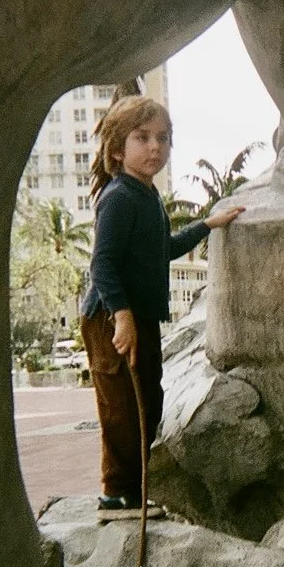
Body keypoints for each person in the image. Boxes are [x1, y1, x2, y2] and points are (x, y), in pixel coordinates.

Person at [80, 95, 245, 520]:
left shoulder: (148, 196)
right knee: (122, 405)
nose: (155, 147)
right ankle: (116, 495)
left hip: (141, 317)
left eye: (163, 138)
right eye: (143, 137)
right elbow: (103, 263)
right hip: (112, 318)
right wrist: (121, 316)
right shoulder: (119, 197)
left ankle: (134, 493)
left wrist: (206, 224)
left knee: (148, 402)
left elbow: (162, 249)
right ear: (118, 149)